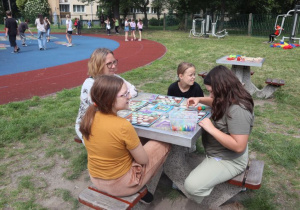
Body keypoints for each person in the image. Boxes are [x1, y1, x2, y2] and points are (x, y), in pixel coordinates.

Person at [79, 75, 171, 203]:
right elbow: (143, 160)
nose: (129, 96)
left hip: (96, 178)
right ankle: (149, 186)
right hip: (121, 185)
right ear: (110, 100)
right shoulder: (122, 125)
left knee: (135, 142)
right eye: (124, 94)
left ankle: (145, 193)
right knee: (164, 141)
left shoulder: (89, 117)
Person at [183, 65, 254, 204]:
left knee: (191, 186)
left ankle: (207, 201)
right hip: (219, 153)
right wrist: (199, 99)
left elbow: (239, 146)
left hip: (230, 159)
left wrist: (211, 129)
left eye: (211, 92)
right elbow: (216, 101)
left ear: (223, 88)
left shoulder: (239, 109)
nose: (210, 96)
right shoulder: (230, 96)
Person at [75, 48, 138, 144]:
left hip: (109, 121)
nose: (113, 66)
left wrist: (124, 95)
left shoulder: (114, 77)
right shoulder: (90, 84)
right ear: (98, 65)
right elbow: (104, 110)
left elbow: (133, 89)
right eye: (109, 64)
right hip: (90, 126)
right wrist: (121, 98)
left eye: (114, 62)